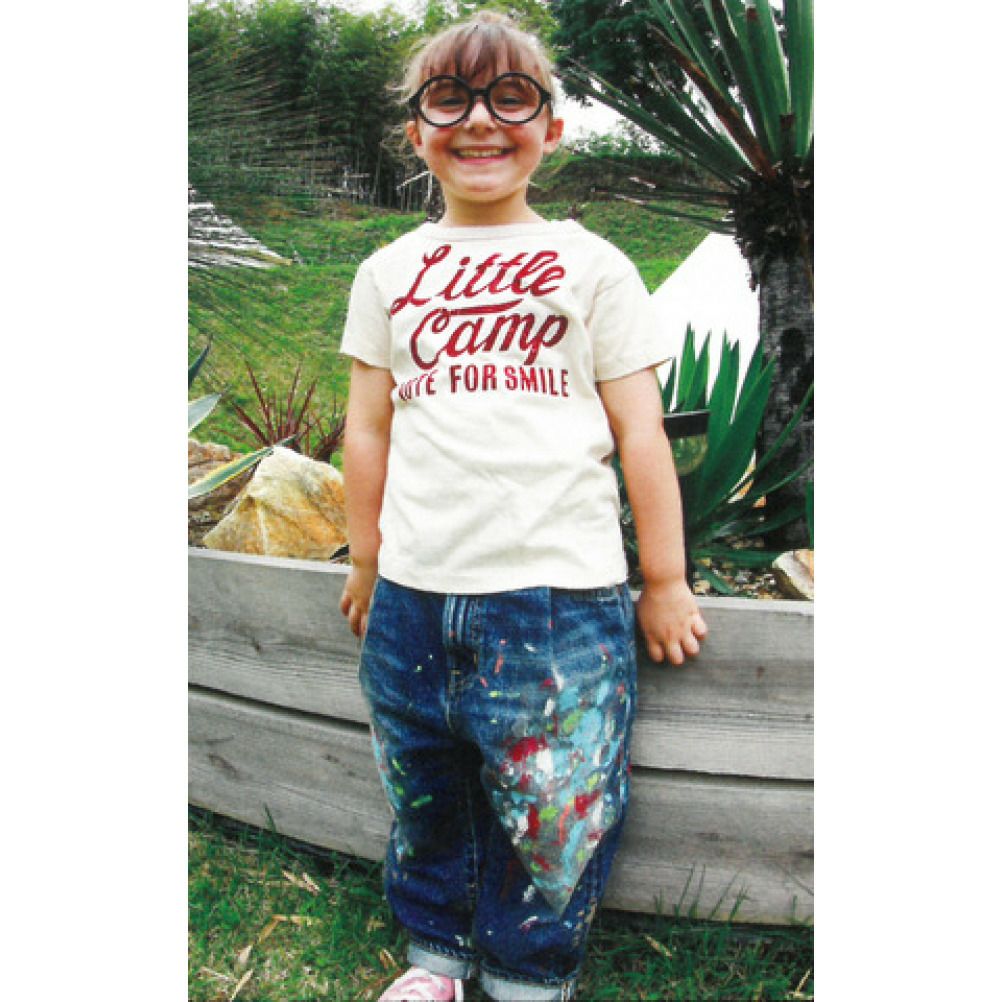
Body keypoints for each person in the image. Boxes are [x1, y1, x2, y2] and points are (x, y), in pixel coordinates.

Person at [338, 13, 707, 1001]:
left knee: (558, 802)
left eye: (511, 98)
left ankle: (528, 974)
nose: (480, 122)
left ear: (551, 127)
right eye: (449, 99)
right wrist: (366, 560)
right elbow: (367, 430)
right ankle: (438, 957)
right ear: (416, 131)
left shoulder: (595, 265)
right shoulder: (387, 272)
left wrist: (665, 578)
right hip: (413, 595)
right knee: (425, 785)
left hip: (558, 600)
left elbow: (640, 432)